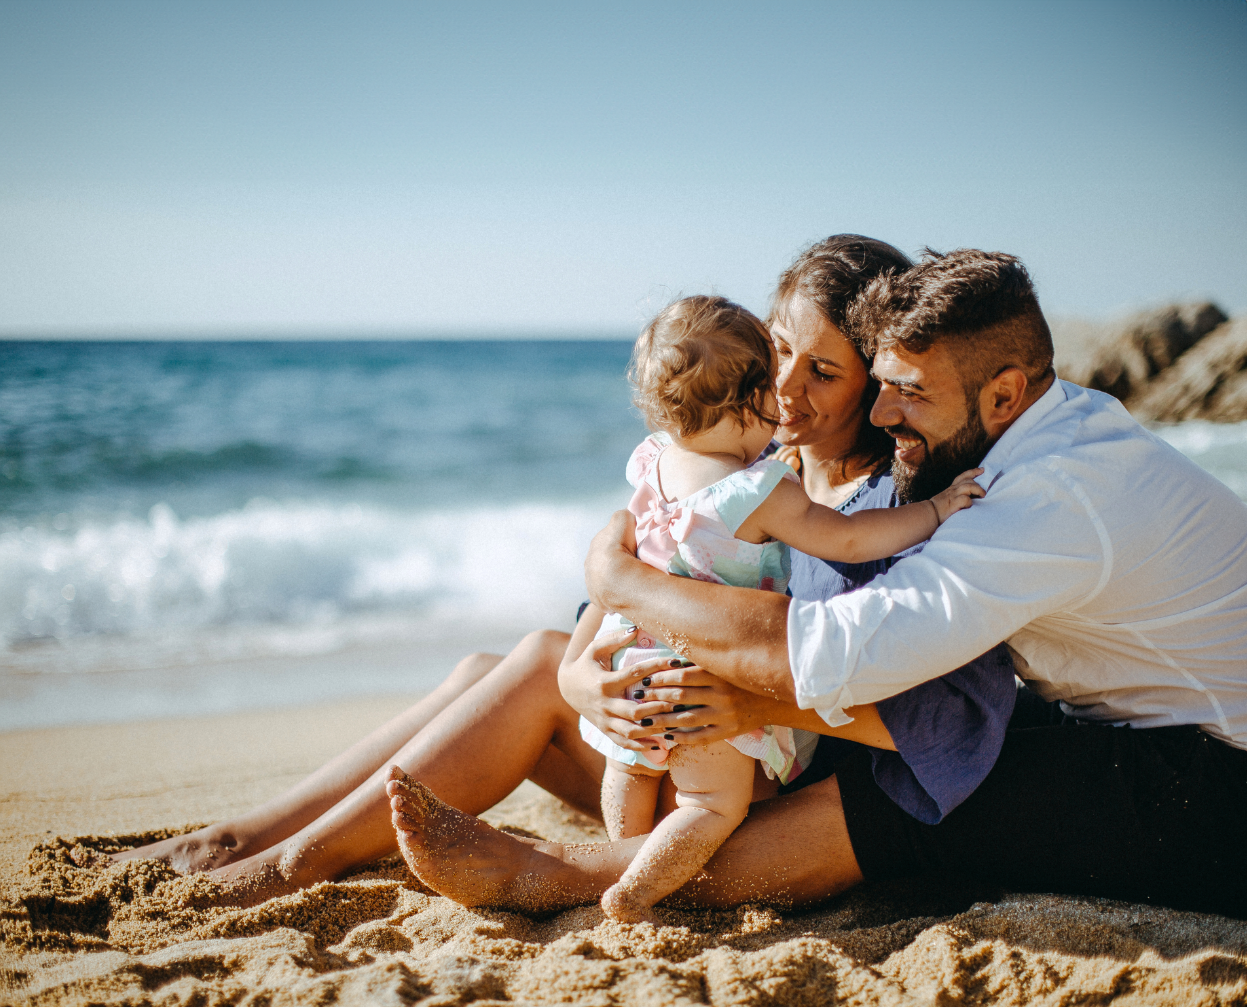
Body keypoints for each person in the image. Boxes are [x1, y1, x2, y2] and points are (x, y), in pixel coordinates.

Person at [115, 235, 1008, 912]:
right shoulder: (752, 460)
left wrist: (660, 663)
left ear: (872, 383)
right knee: (511, 667)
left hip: (755, 777)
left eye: (823, 371)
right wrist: (590, 679)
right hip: (672, 728)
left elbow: (912, 701)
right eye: (777, 351)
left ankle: (295, 863)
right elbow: (642, 569)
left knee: (536, 666)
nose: (783, 388)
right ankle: (250, 834)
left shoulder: (878, 512)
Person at [395, 248, 1247, 919]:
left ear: (1006, 393)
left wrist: (612, 577)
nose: (882, 414)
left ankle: (556, 877)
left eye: (906, 392)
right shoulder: (1046, 439)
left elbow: (826, 653)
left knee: (954, 796)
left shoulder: (1046, 499)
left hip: (1221, 786)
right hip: (1163, 731)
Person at [578, 292, 981, 923]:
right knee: (710, 805)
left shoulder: (653, 460)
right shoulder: (752, 491)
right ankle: (633, 890)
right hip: (703, 670)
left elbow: (629, 554)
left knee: (631, 766)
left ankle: (617, 853)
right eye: (774, 383)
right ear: (752, 402)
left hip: (632, 659)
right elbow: (845, 537)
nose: (784, 401)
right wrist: (934, 510)